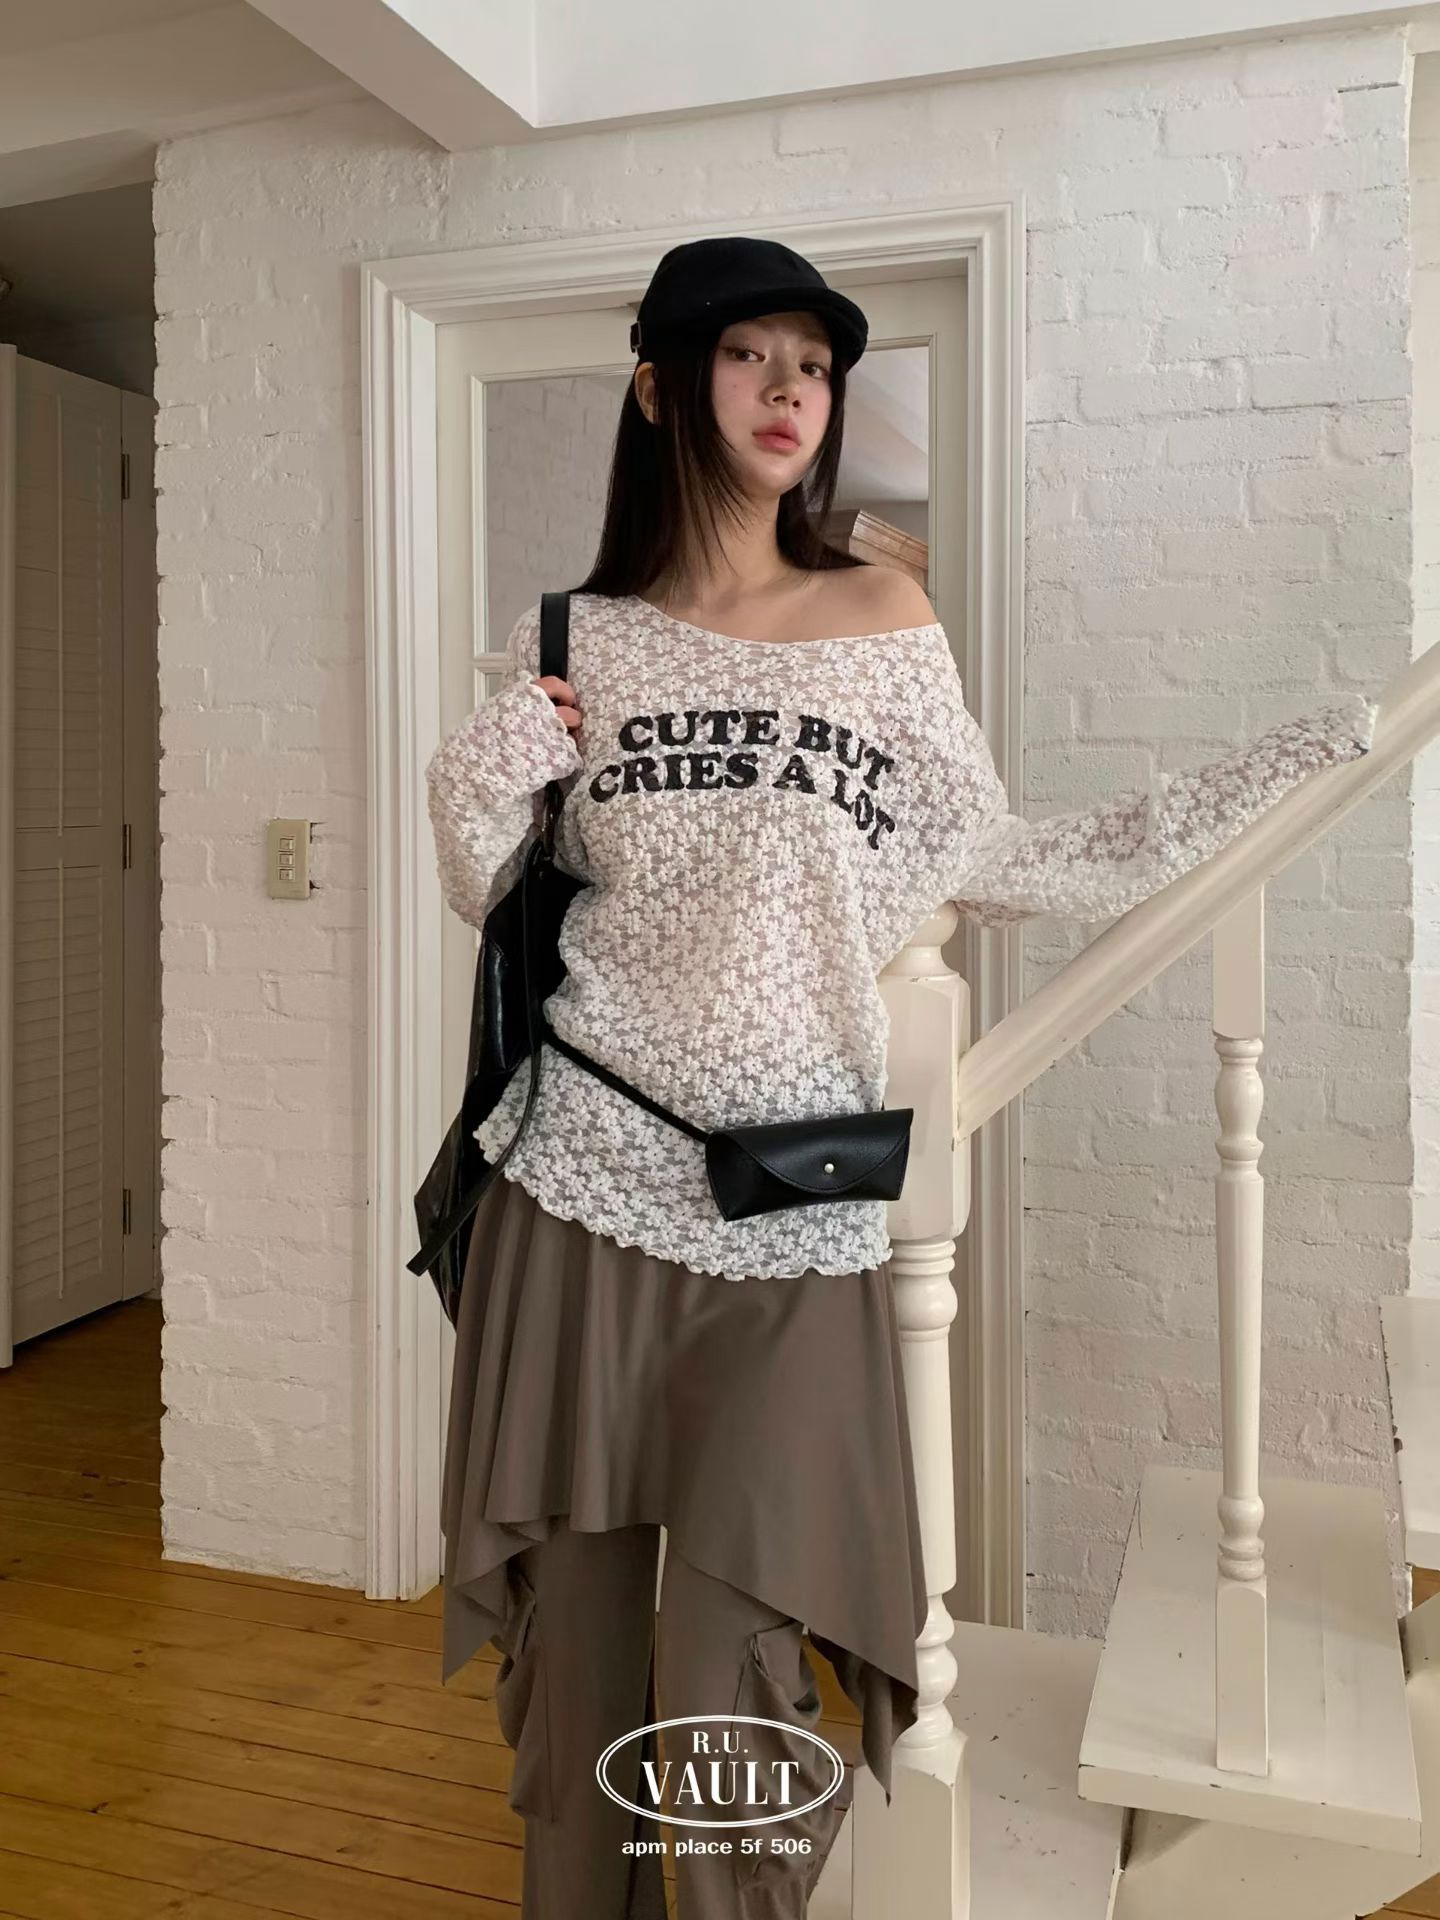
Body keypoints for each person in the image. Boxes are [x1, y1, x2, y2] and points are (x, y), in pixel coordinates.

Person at [425, 235, 1378, 1920]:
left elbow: (992, 852)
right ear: (659, 384)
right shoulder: (576, 633)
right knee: (578, 1666)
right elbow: (484, 879)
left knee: (735, 1673)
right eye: (751, 355)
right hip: (578, 1190)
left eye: (816, 365)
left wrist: (1277, 775)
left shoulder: (883, 615)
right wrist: (480, 765)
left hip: (792, 1211)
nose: (791, 390)